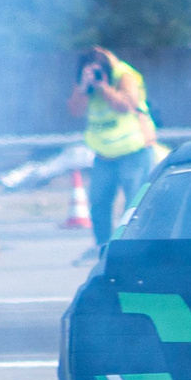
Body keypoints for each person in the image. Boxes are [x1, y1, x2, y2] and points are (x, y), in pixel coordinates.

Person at [68, 46, 156, 249]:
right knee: (98, 204)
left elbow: (127, 105)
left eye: (97, 70)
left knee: (134, 204)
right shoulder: (83, 81)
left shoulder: (123, 76)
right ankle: (103, 247)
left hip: (134, 151)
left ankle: (130, 247)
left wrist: (103, 87)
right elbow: (74, 110)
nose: (94, 75)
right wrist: (83, 87)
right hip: (104, 155)